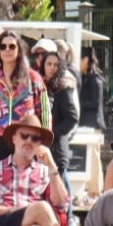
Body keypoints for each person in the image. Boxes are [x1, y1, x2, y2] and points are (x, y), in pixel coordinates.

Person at [0, 29, 48, 161]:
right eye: (3, 46)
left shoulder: (33, 78)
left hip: (26, 139)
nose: (7, 49)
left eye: (12, 46)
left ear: (19, 50)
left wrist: (43, 140)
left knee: (24, 181)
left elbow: (44, 111)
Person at [36, 40, 80, 194]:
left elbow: (72, 117)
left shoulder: (63, 87)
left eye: (56, 65)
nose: (52, 68)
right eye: (49, 64)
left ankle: (68, 217)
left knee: (58, 190)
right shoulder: (38, 85)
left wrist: (52, 133)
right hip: (38, 145)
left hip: (56, 148)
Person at [77, 48, 108, 131]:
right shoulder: (82, 77)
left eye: (78, 59)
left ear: (86, 60)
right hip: (83, 123)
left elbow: (96, 103)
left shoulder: (95, 78)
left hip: (93, 124)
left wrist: (77, 103)